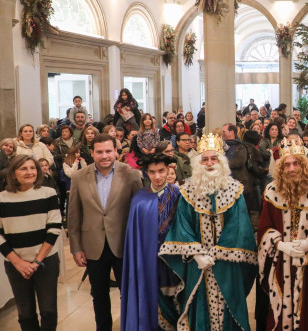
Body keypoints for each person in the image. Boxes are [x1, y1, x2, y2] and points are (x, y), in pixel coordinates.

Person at [158, 134, 258, 331]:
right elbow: (182, 225)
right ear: (198, 163)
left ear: (221, 162)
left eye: (214, 158)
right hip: (198, 264)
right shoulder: (188, 192)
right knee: (198, 302)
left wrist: (220, 252)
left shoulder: (235, 190)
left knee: (229, 303)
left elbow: (240, 226)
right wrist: (197, 253)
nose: (210, 163)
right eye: (205, 159)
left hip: (227, 263)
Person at [257, 138, 308, 330]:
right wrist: (279, 243)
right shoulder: (272, 191)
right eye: (287, 165)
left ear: (304, 165)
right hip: (281, 263)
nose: (292, 169)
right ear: (281, 168)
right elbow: (264, 227)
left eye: (296, 163)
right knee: (278, 310)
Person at [67, 133, 143, 331]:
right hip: (93, 246)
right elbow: (74, 215)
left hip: (124, 244)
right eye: (99, 152)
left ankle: (130, 326)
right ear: (92, 153)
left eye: (109, 151)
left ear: (116, 152)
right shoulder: (79, 176)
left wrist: (139, 246)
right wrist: (76, 248)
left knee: (128, 292)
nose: (104, 156)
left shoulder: (131, 174)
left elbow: (139, 212)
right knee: (98, 293)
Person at [0, 155, 62, 331]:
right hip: (15, 264)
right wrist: (18, 262)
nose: (30, 172)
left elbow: (54, 227)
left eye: (32, 168)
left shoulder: (48, 193)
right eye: (24, 168)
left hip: (46, 261)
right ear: (13, 173)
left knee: (48, 310)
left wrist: (37, 261)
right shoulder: (2, 198)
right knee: (25, 313)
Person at [121, 154, 181, 331]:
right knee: (151, 297)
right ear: (146, 173)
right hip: (147, 259)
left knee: (173, 300)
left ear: (169, 170)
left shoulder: (178, 194)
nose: (157, 176)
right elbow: (135, 233)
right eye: (152, 172)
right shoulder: (140, 198)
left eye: (161, 171)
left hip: (172, 260)